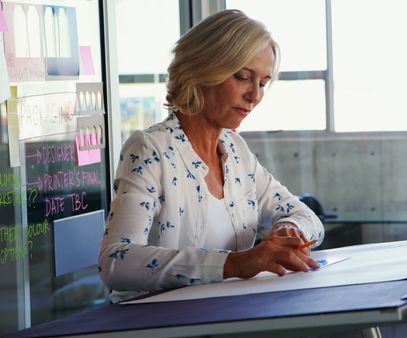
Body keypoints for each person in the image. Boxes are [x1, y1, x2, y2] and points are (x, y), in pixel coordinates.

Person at [99, 9, 324, 303]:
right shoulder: (151, 149)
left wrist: (288, 231)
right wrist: (235, 264)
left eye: (263, 83)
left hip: (228, 318)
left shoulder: (236, 152)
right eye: (243, 77)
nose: (255, 96)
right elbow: (116, 260)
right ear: (202, 71)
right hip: (158, 325)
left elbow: (307, 217)